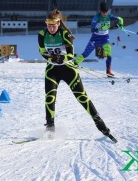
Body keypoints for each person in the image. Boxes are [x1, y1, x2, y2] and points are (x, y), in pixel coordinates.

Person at [38, 9, 112, 138]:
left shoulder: (65, 33)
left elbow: (71, 54)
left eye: (53, 25)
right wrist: (52, 59)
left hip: (68, 70)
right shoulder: (42, 34)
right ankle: (50, 128)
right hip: (52, 70)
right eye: (48, 25)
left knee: (82, 98)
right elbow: (43, 52)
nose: (51, 28)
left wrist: (62, 58)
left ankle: (101, 126)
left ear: (58, 23)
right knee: (49, 98)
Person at [74, 2, 124, 76]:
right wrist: (96, 29)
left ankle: (108, 70)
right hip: (95, 38)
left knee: (109, 54)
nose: (105, 13)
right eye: (103, 12)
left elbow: (120, 18)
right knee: (85, 54)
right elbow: (92, 29)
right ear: (100, 11)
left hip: (105, 38)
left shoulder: (109, 16)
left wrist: (120, 24)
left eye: (106, 12)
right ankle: (74, 64)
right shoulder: (96, 17)